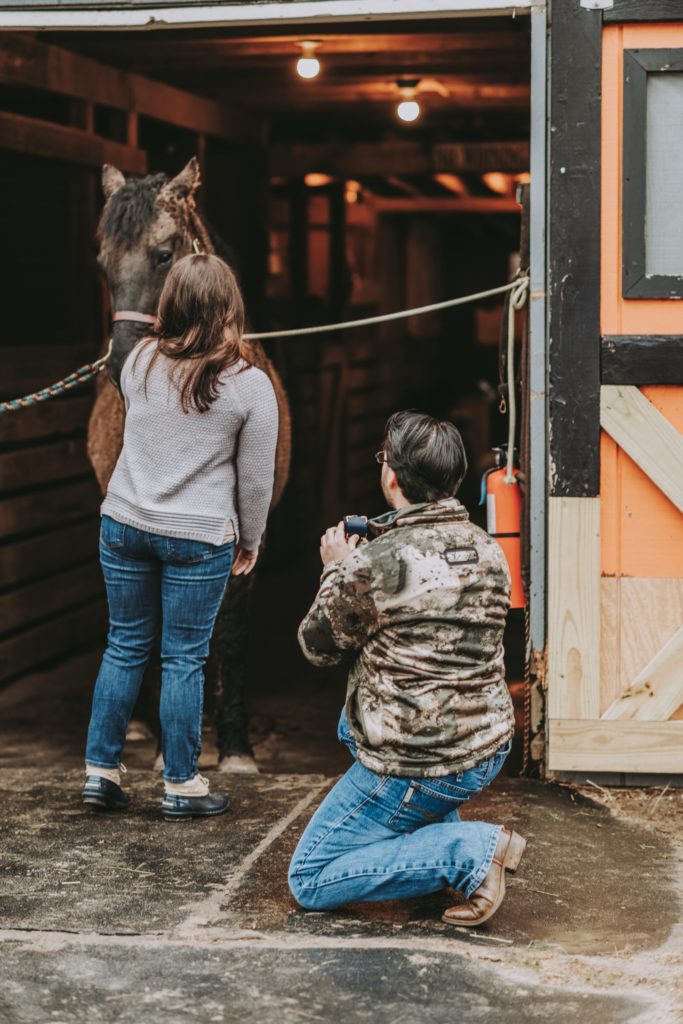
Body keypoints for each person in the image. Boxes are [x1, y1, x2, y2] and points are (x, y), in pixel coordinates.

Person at [288, 410, 525, 926]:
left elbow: (316, 647)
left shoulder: (372, 564)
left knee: (309, 876)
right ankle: (434, 831)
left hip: (421, 758)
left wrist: (335, 571)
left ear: (391, 476)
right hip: (487, 745)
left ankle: (471, 852)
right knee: (349, 726)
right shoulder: (489, 549)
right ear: (454, 477)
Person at [83, 254, 278, 821]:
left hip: (124, 525)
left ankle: (100, 771)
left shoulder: (138, 361)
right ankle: (182, 784)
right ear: (230, 307)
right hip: (198, 536)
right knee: (185, 658)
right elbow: (256, 480)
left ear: (166, 304)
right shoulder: (250, 386)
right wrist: (251, 539)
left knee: (124, 645)